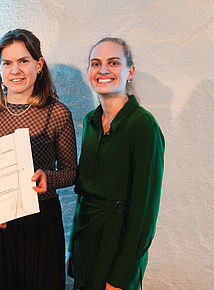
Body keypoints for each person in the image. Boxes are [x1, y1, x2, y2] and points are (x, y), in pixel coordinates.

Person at [0, 29, 77, 290]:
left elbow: (71, 171)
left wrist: (48, 177)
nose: (15, 70)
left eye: (23, 61)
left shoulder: (57, 113)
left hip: (41, 222)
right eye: (7, 63)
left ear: (39, 65)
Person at [67, 37, 165, 290]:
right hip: (86, 240)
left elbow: (145, 214)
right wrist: (72, 249)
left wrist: (122, 275)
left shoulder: (144, 126)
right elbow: (83, 194)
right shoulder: (90, 121)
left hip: (117, 245)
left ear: (129, 71)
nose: (103, 71)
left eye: (113, 63)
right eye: (95, 63)